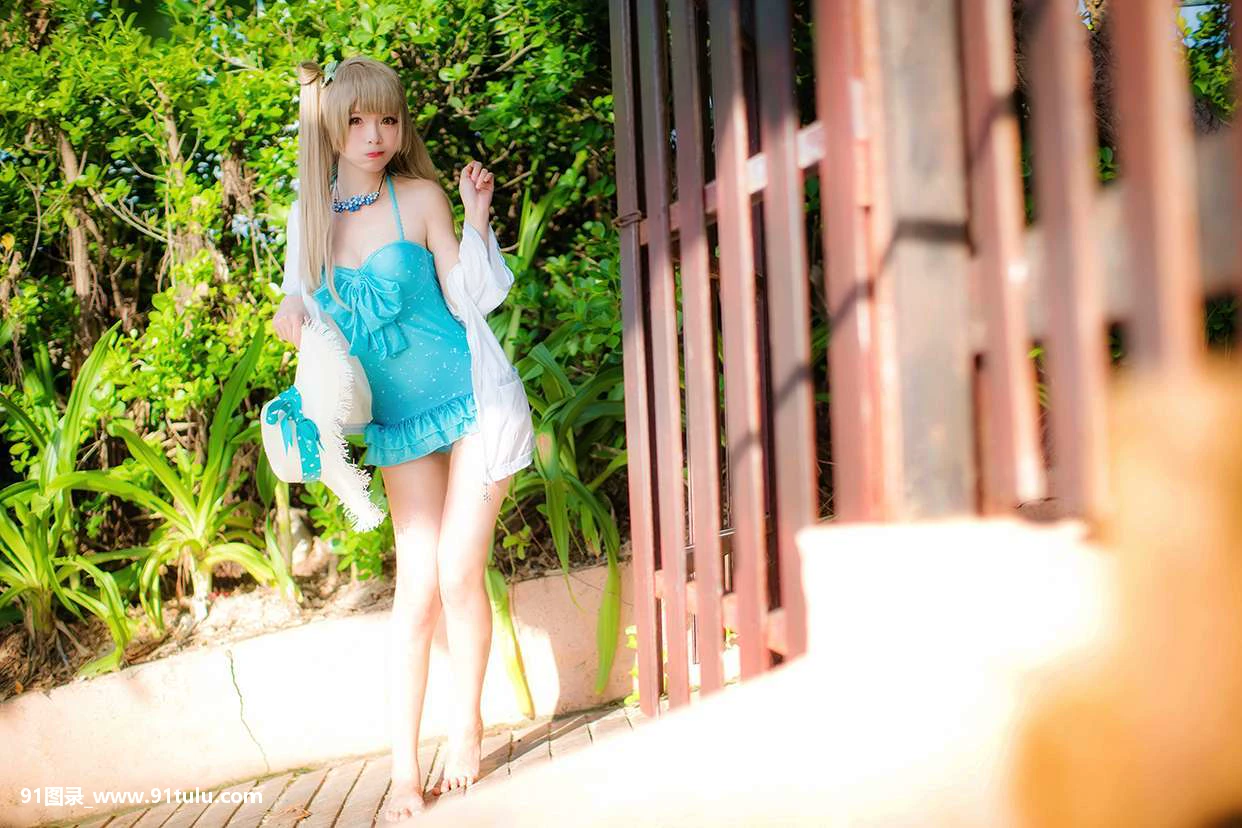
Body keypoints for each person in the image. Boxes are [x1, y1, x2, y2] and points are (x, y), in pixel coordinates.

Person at [272, 55, 525, 824]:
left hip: (474, 403)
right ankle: (404, 771)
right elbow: (293, 309)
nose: (375, 134)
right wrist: (292, 318)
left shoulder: (420, 197)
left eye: (388, 118)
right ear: (332, 130)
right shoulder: (310, 223)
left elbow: (474, 294)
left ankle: (467, 727)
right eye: (356, 121)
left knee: (457, 571)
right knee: (416, 593)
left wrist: (476, 218)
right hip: (400, 425)